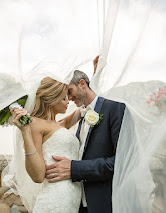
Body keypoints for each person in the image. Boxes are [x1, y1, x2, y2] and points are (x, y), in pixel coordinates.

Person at [45, 66, 126, 212]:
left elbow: (121, 162)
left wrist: (74, 168)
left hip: (103, 202)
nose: (68, 98)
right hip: (77, 202)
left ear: (82, 84)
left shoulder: (114, 107)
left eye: (69, 91)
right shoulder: (81, 114)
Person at [11, 77, 83, 213]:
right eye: (64, 99)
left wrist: (98, 72)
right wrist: (25, 132)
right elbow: (38, 176)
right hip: (54, 201)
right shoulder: (34, 124)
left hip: (72, 199)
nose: (68, 102)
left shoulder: (57, 124)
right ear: (51, 99)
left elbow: (86, 105)